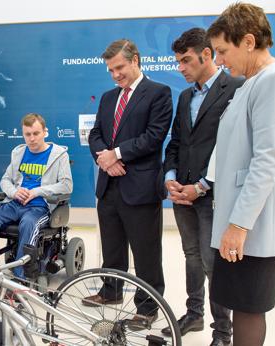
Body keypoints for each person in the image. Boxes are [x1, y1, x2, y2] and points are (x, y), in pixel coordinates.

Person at [206, 3, 275, 346]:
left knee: (249, 305)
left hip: (256, 220)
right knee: (239, 300)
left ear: (248, 41)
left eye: (223, 51)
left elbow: (267, 160)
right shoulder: (251, 82)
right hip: (244, 215)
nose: (219, 61)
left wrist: (239, 225)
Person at [162, 28, 243, 346]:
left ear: (206, 55)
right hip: (182, 195)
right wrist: (170, 178)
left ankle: (222, 331)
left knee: (213, 264)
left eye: (185, 60)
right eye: (178, 61)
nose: (180, 67)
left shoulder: (236, 87)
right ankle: (194, 315)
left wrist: (204, 185)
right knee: (191, 256)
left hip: (214, 195)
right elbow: (177, 143)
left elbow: (235, 148)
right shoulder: (184, 97)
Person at [86, 39, 172, 330]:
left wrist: (117, 154)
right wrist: (105, 158)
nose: (115, 75)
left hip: (141, 188)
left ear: (135, 60)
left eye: (119, 67)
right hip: (109, 185)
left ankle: (147, 309)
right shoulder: (109, 97)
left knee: (146, 253)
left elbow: (154, 136)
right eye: (110, 70)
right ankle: (110, 291)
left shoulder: (159, 92)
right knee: (112, 248)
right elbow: (95, 134)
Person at [0, 113, 72, 279]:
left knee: (28, 224)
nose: (32, 138)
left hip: (40, 206)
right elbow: (5, 180)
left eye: (36, 133)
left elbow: (66, 185)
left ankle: (20, 277)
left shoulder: (59, 155)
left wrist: (37, 191)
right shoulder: (19, 153)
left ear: (45, 132)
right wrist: (14, 192)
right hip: (15, 203)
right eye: (28, 134)